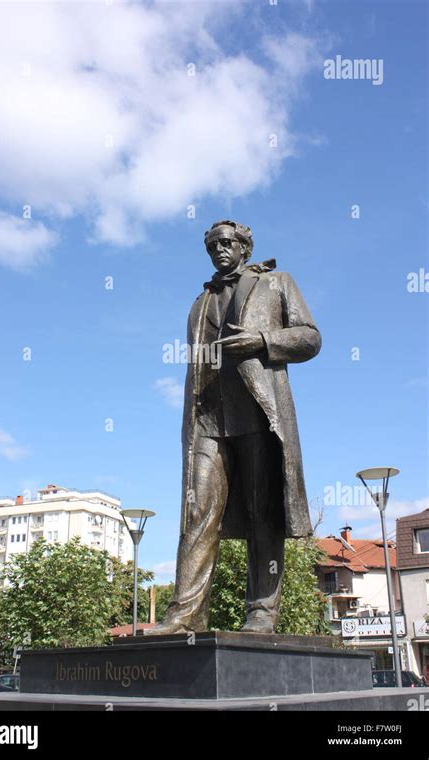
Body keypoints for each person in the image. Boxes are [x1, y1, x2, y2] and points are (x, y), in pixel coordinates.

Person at [149, 220, 321, 634]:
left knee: (263, 510)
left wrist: (262, 341)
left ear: (245, 246)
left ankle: (262, 611)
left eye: (227, 242)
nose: (219, 250)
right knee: (197, 511)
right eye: (212, 245)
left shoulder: (276, 282)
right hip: (208, 418)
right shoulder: (199, 303)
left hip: (259, 414)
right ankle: (186, 613)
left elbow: (310, 338)